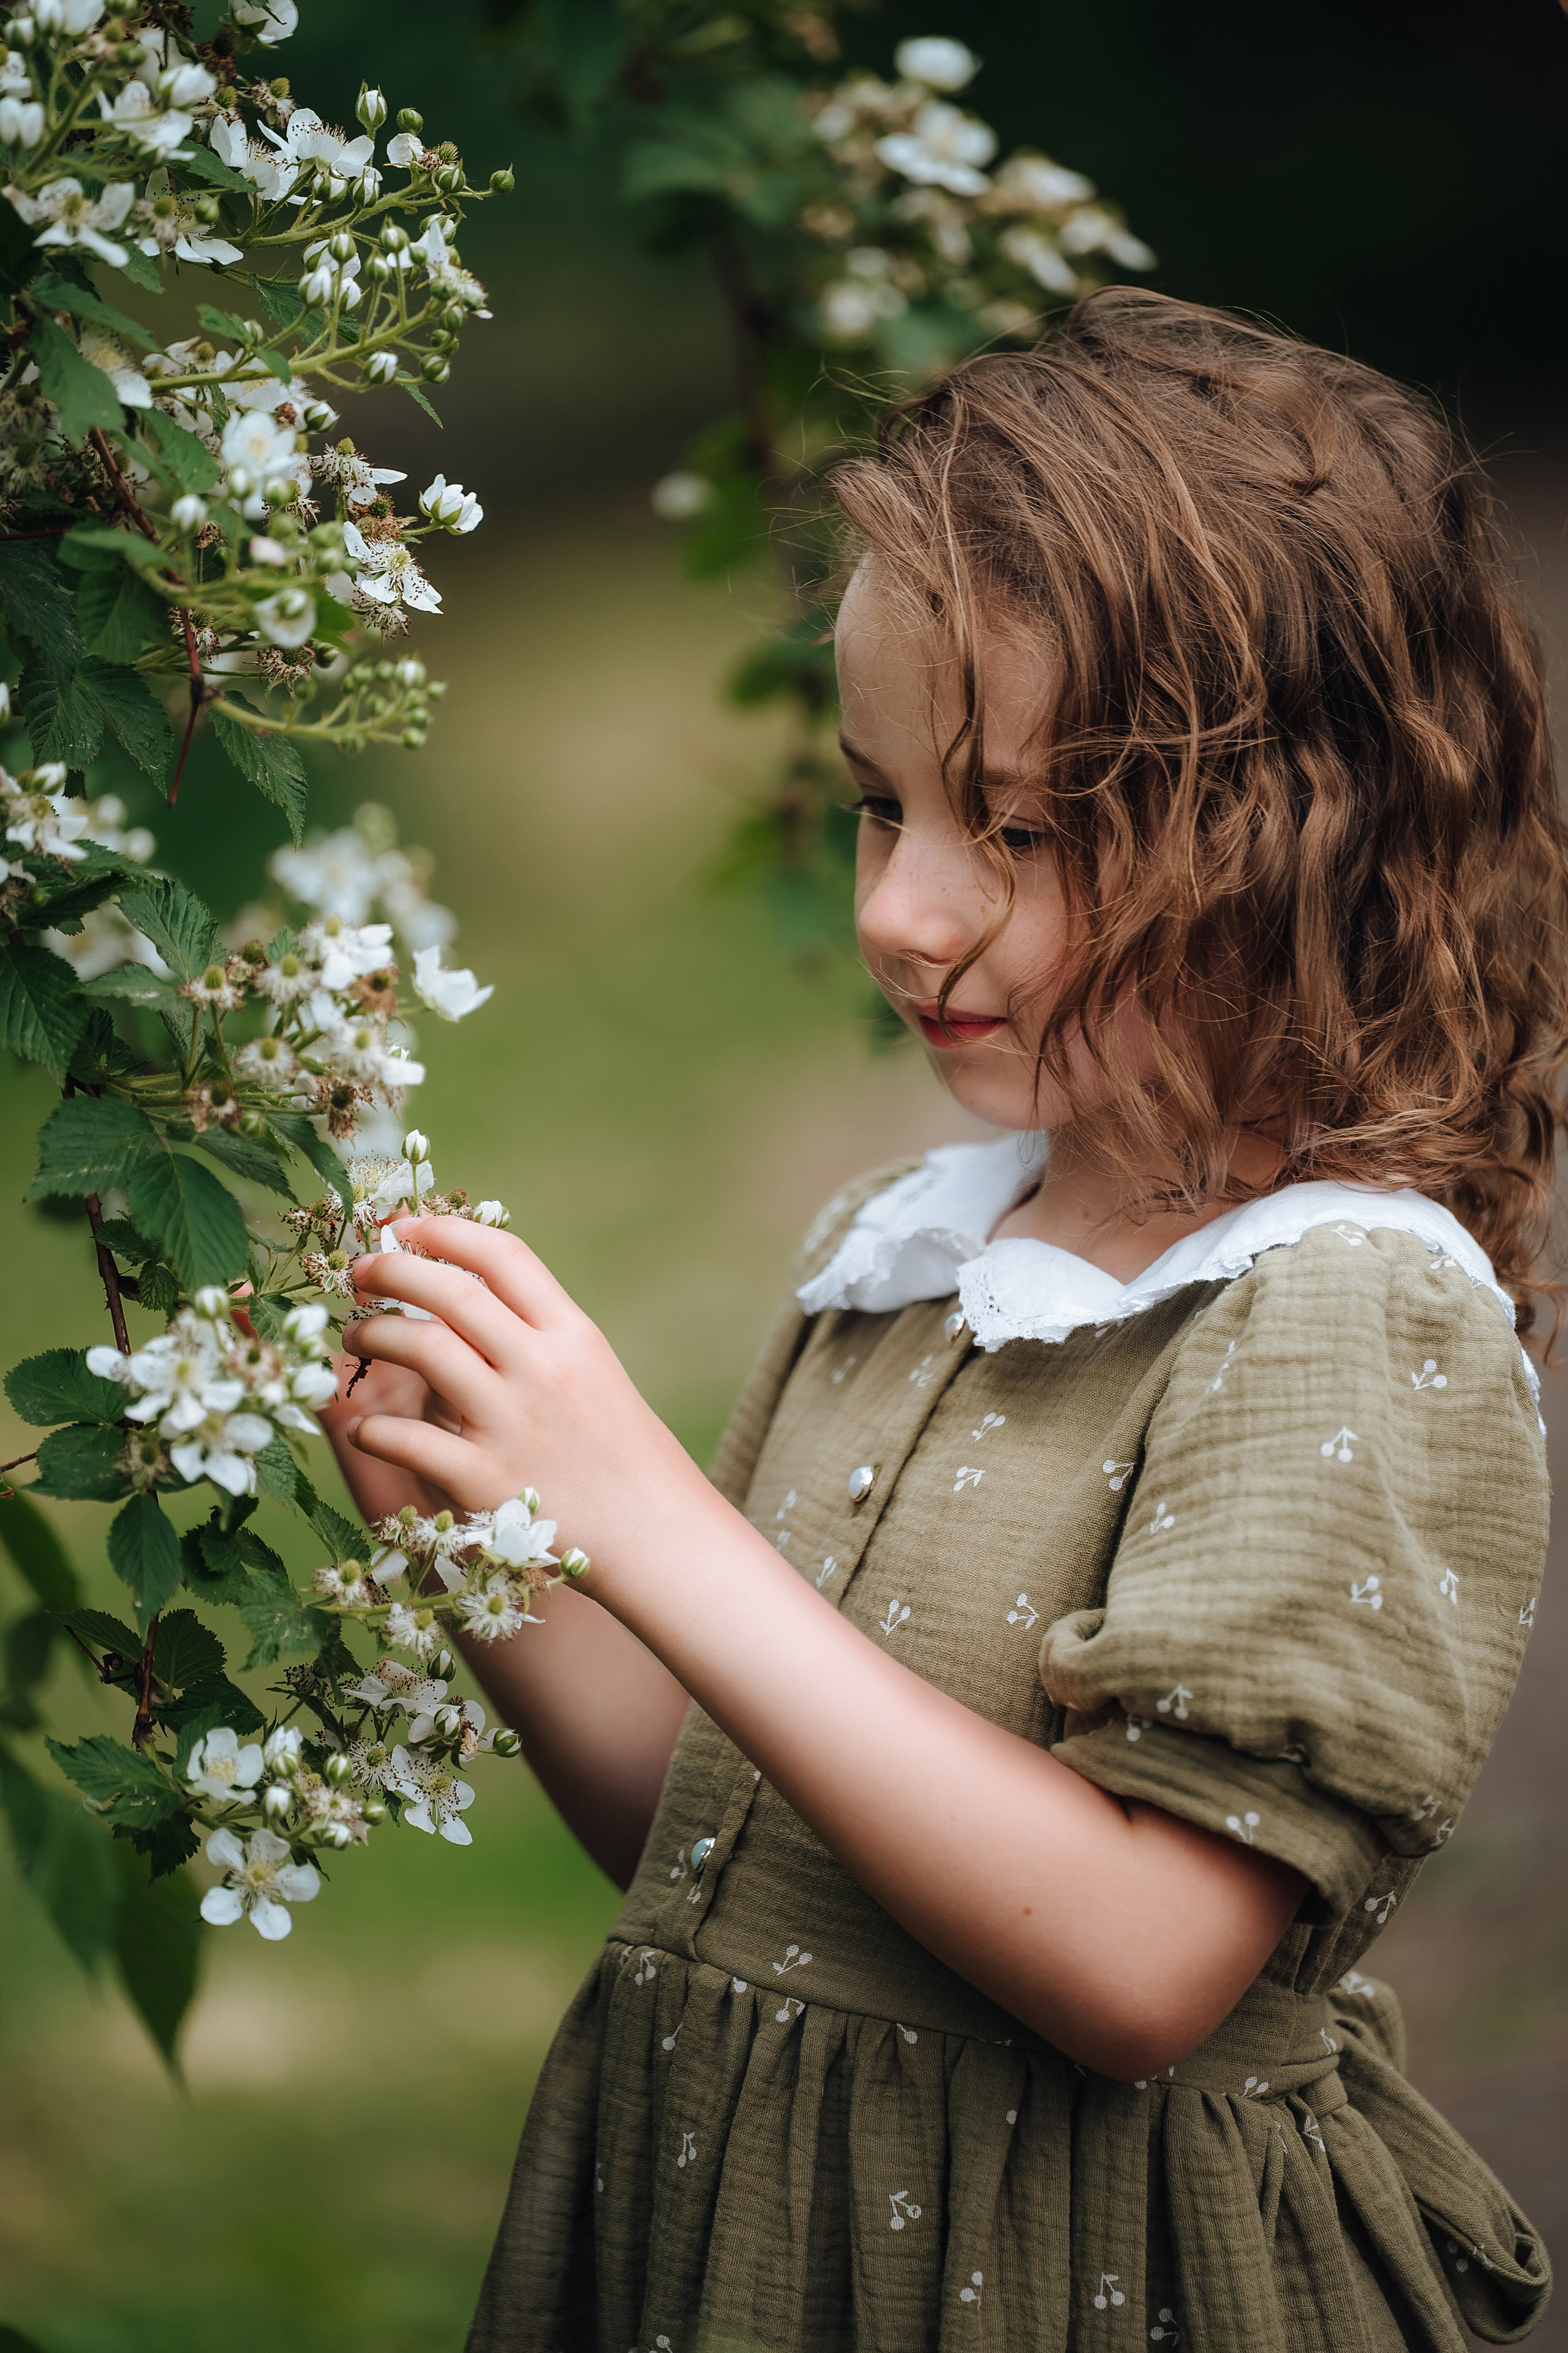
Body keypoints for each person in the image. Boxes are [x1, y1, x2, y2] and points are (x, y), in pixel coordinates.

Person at [320, 291, 1561, 2352]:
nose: (898, 909)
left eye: (1025, 824)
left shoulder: (1345, 1312)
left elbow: (1147, 1957)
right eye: (886, 801)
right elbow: (723, 1823)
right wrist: (492, 1534)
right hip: (748, 2238)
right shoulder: (923, 1243)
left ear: (1296, 838)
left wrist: (653, 1520)